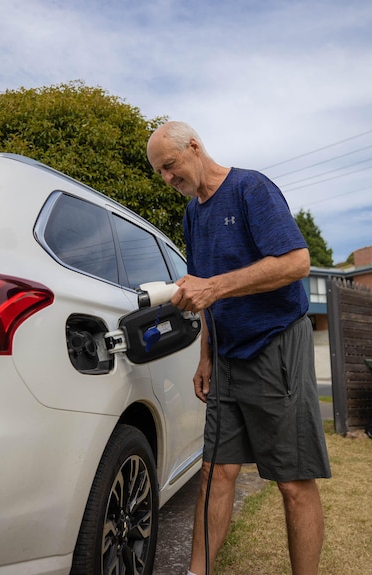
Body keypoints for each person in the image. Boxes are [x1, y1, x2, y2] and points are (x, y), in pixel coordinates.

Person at [146, 121, 331, 575]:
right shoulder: (193, 213)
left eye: (169, 166)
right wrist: (205, 356)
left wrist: (215, 287)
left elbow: (297, 262)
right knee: (214, 472)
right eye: (161, 174)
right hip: (226, 356)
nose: (168, 179)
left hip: (275, 346)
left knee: (292, 481)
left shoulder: (251, 188)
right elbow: (204, 292)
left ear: (193, 146)